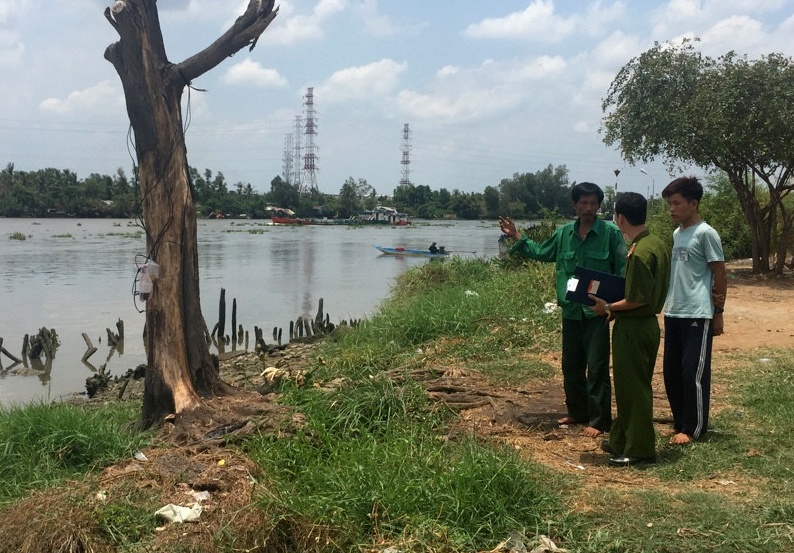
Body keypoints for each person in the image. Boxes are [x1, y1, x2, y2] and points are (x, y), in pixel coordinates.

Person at [499, 182, 627, 438]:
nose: (588, 208)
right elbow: (540, 252)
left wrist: (615, 307)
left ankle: (600, 420)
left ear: (599, 206)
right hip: (571, 312)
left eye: (593, 204)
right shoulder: (564, 233)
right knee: (571, 366)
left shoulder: (610, 233)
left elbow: (622, 270)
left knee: (597, 366)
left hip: (597, 314)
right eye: (583, 203)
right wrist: (516, 236)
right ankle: (577, 412)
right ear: (574, 205)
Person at [588, 192, 670, 466]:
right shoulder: (656, 243)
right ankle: (621, 439)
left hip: (634, 327)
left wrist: (607, 307)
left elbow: (636, 299)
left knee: (632, 389)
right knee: (631, 385)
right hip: (647, 326)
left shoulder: (638, 253)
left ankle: (639, 449)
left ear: (619, 218)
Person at [661, 176, 727, 445]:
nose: (672, 209)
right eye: (669, 204)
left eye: (676, 203)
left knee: (693, 373)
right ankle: (680, 424)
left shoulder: (706, 233)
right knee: (672, 372)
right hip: (674, 311)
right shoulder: (678, 234)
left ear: (693, 203)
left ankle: (694, 428)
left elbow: (719, 274)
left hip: (698, 313)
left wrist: (718, 311)